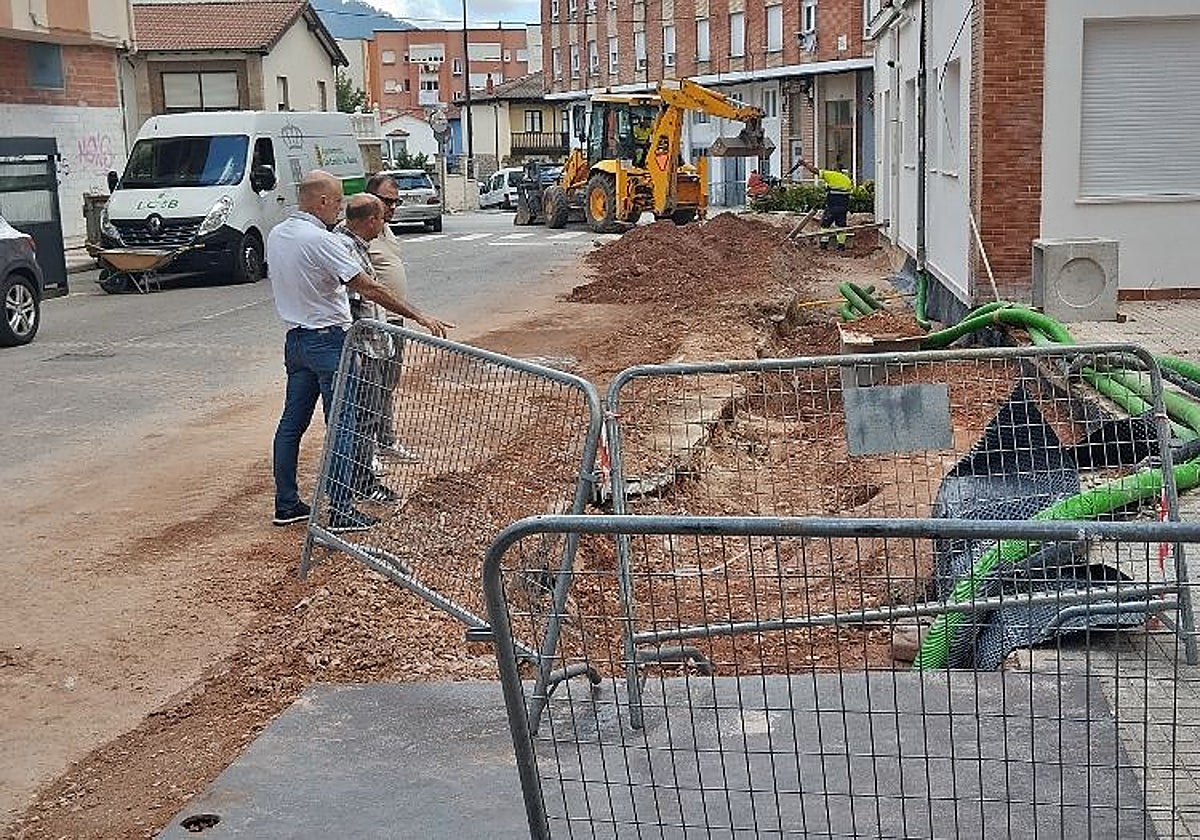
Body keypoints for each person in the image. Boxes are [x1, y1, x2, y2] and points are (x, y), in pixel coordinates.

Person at [267, 170, 427, 533]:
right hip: (328, 341)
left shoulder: (278, 234)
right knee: (343, 424)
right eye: (338, 201)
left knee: (291, 424)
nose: (340, 209)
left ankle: (286, 503)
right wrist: (417, 315)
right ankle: (341, 509)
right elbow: (368, 288)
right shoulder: (321, 240)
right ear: (322, 201)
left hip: (296, 341)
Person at [363, 173, 454, 462]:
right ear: (370, 199)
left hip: (394, 321)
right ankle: (367, 451)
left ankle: (386, 441)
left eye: (396, 202)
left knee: (387, 384)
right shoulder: (357, 233)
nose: (392, 207)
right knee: (370, 388)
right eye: (386, 201)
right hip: (374, 321)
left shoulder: (385, 230)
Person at [798, 157, 854, 249]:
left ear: (835, 169)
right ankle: (841, 245)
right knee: (841, 225)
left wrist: (805, 164)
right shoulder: (847, 179)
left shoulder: (831, 175)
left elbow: (815, 171)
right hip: (843, 206)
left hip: (832, 205)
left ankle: (824, 244)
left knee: (825, 224)